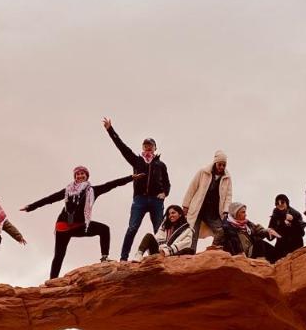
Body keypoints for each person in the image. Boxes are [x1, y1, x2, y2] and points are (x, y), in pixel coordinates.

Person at [22, 166, 134, 279]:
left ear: (86, 176)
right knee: (59, 255)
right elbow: (50, 199)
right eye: (77, 174)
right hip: (63, 226)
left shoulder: (93, 190)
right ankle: (52, 280)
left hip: (79, 226)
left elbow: (112, 184)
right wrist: (31, 207)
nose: (80, 176)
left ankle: (104, 258)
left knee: (104, 229)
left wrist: (131, 178)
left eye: (82, 174)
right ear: (75, 176)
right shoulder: (68, 191)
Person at [102, 117, 171, 260]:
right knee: (132, 228)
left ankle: (161, 256)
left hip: (156, 201)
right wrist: (110, 130)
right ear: (142, 147)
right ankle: (123, 258)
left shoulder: (160, 164)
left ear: (155, 147)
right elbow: (122, 147)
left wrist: (165, 193)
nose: (148, 147)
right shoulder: (137, 160)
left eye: (150, 145)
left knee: (159, 230)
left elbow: (167, 183)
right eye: (145, 145)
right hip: (139, 200)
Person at [182, 151, 232, 252]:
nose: (221, 167)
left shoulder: (227, 178)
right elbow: (192, 188)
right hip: (198, 208)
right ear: (215, 163)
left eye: (224, 165)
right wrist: (185, 205)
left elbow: (228, 196)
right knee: (192, 232)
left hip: (213, 211)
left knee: (221, 231)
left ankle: (212, 251)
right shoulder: (203, 172)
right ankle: (190, 254)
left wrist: (226, 211)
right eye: (219, 164)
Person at [267, 194, 306, 261]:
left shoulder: (295, 213)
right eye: (277, 203)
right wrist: (269, 232)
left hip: (295, 247)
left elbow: (302, 233)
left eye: (282, 202)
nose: (280, 204)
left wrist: (293, 220)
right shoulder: (275, 216)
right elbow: (270, 237)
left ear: (287, 203)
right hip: (281, 248)